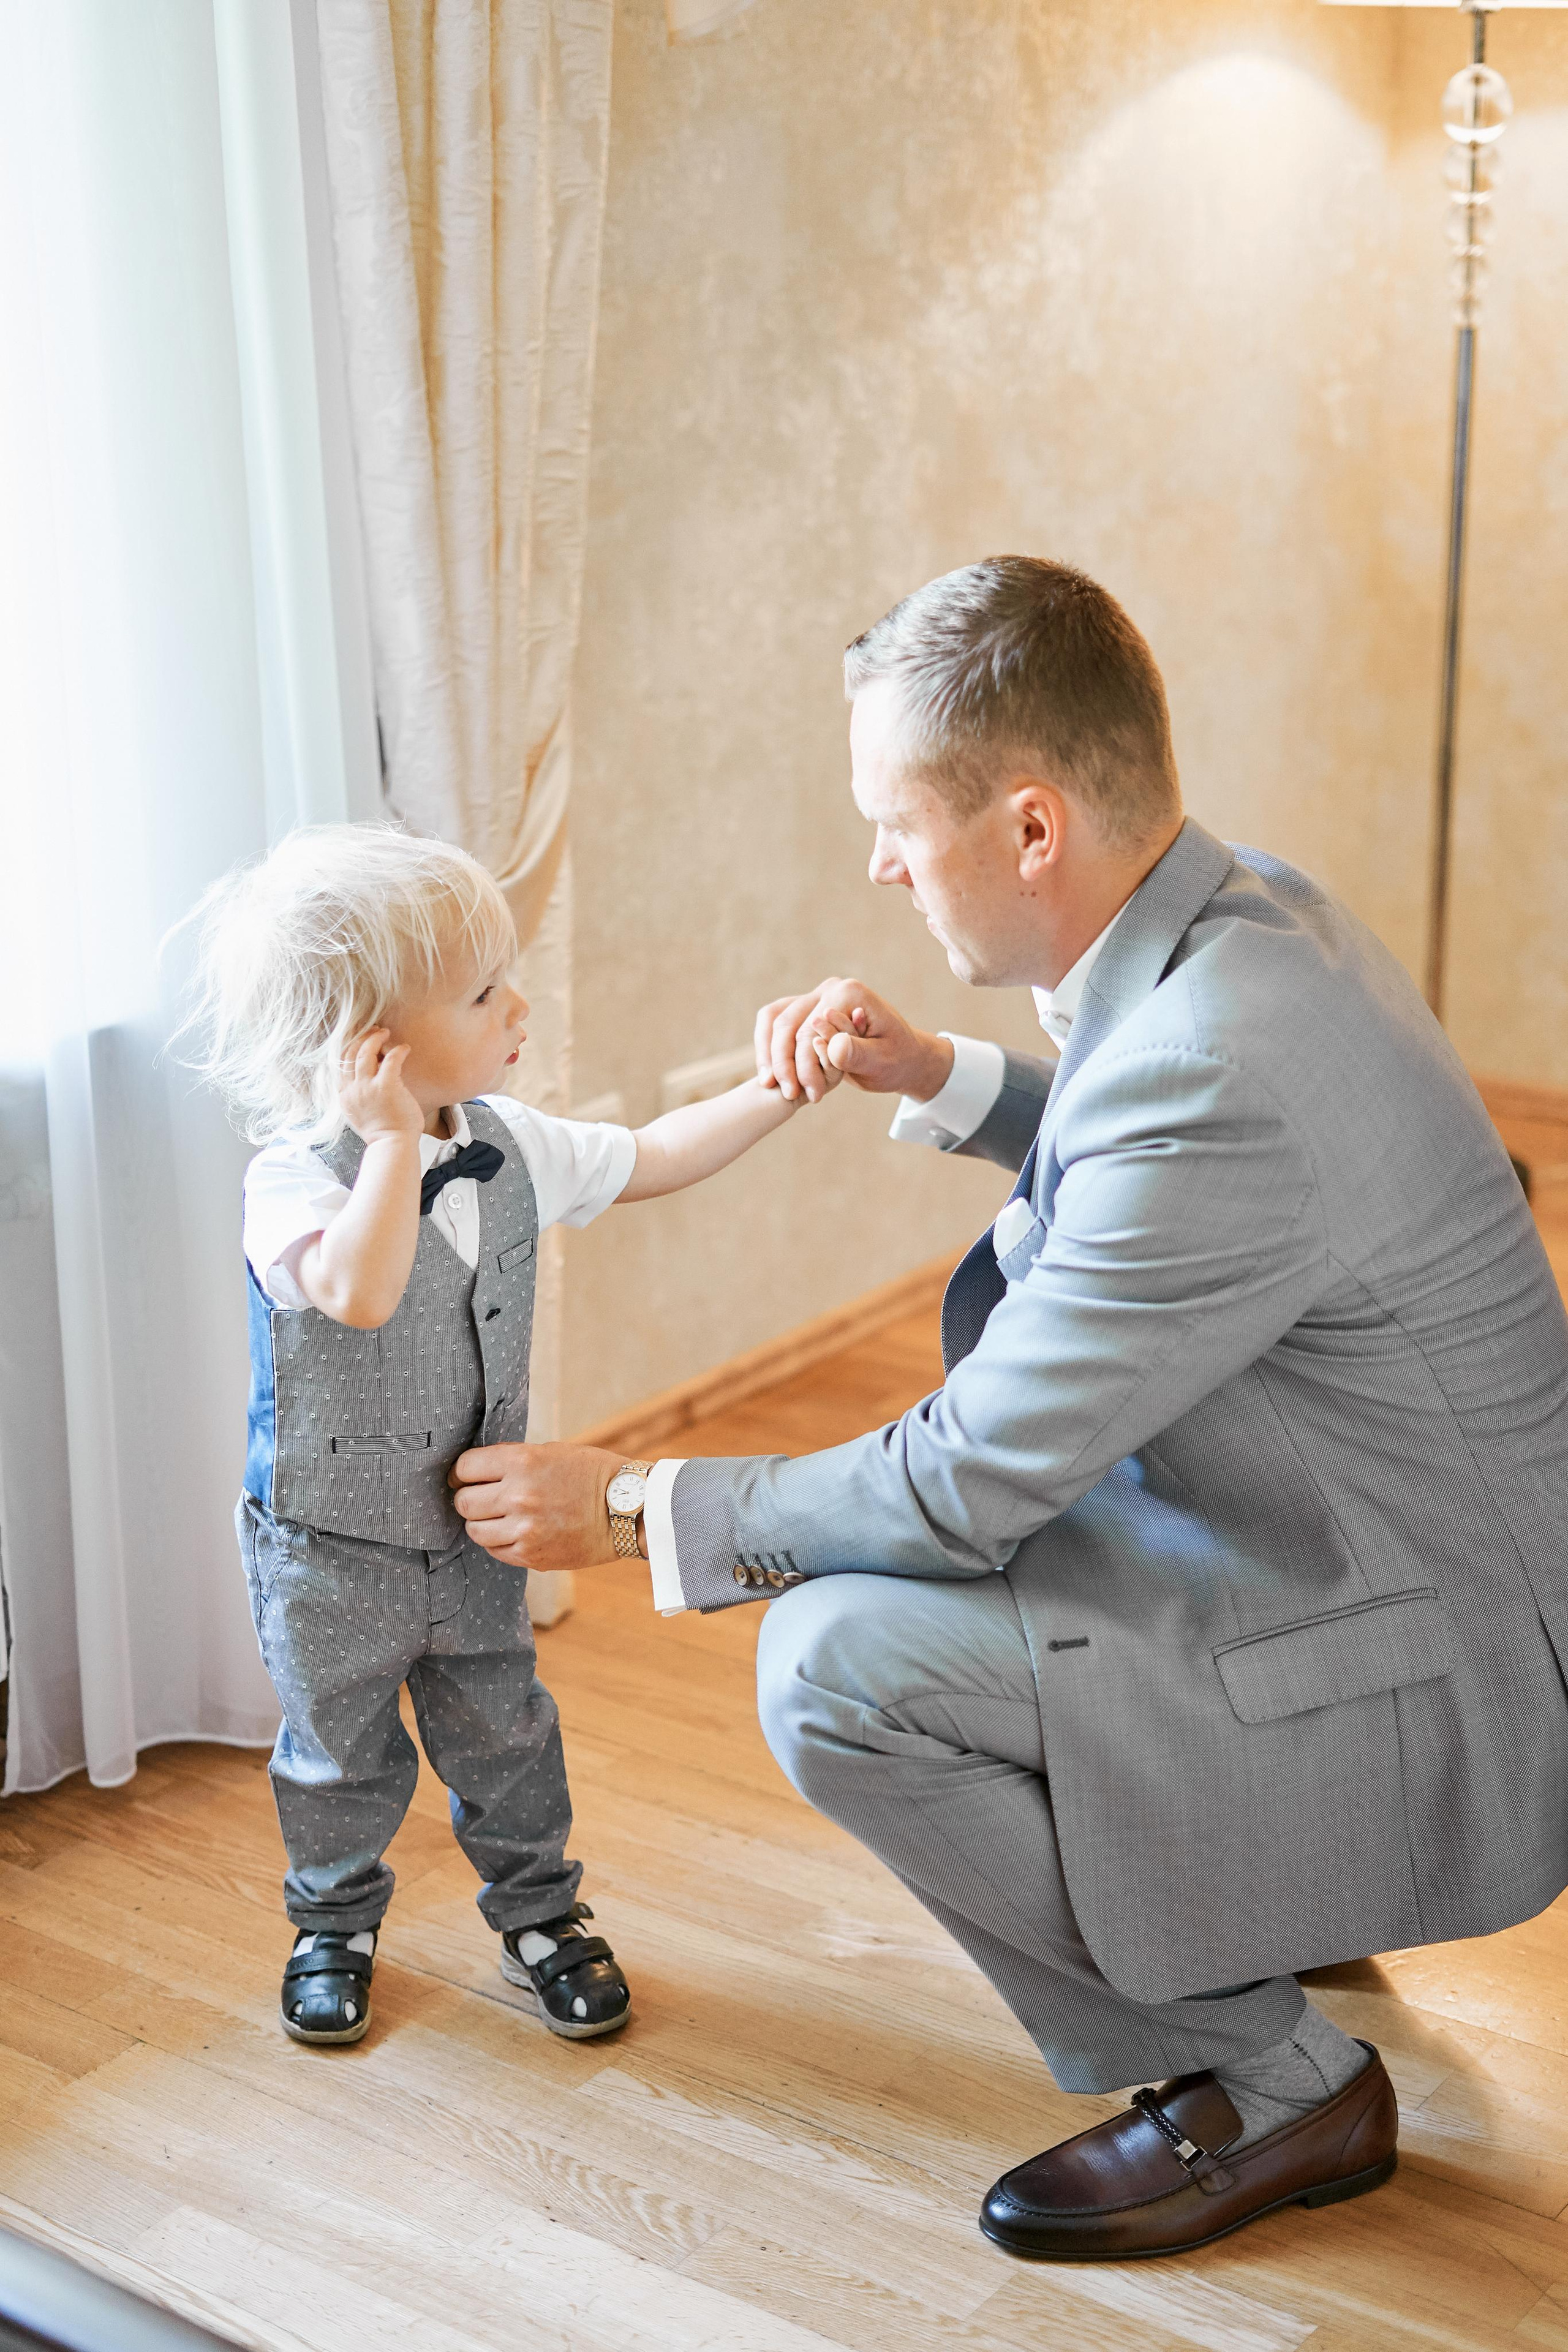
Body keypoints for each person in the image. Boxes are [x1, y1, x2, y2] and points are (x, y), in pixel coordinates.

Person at [445, 557, 1568, 2261]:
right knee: (947, 1580)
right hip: (1405, 1561)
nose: (880, 866)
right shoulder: (1253, 914)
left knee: (833, 1669)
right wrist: (940, 1073)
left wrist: (631, 1504)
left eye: (899, 823)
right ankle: (1268, 1909)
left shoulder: (1214, 1072)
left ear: (1032, 830)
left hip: (1439, 1681)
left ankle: (1267, 2076)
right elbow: (1148, 1140)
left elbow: (965, 1483)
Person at [186, 824, 832, 2048]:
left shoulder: (509, 1142)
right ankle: (333, 1922)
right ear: (367, 1042)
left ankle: (543, 1912)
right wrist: (387, 1144)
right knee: (340, 1750)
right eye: (482, 992)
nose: (515, 1007)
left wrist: (780, 1088)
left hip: (470, 1531)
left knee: (506, 1730)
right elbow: (362, 1291)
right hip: (331, 1549)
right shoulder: (296, 1181)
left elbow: (651, 1156)